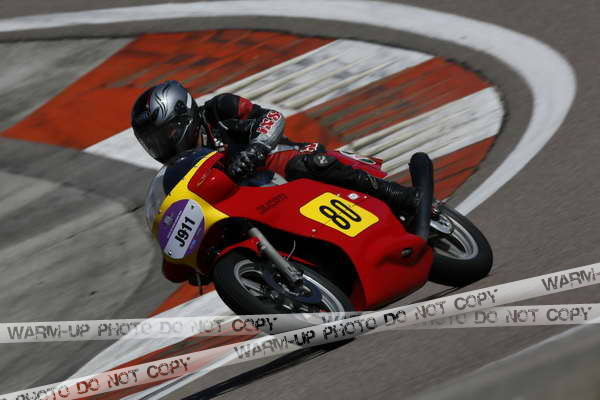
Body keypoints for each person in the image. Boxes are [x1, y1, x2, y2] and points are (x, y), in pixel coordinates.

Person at [132, 80, 421, 284]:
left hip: (273, 163)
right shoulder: (176, 171)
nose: (161, 146)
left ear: (184, 117)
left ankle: (408, 199)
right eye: (152, 142)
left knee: (305, 165)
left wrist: (256, 148)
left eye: (166, 135)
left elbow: (271, 117)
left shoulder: (220, 109)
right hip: (242, 201)